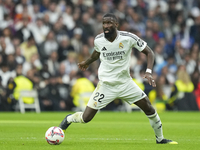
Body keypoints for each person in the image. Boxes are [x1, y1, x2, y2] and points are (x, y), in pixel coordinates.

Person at [59, 13, 178, 144]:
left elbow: (149, 52)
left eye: (109, 23)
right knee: (86, 118)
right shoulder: (98, 39)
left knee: (149, 108)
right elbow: (97, 53)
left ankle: (160, 139)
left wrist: (149, 72)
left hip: (126, 84)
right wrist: (87, 62)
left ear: (116, 24)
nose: (106, 26)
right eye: (104, 23)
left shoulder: (128, 38)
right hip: (106, 86)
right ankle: (68, 119)